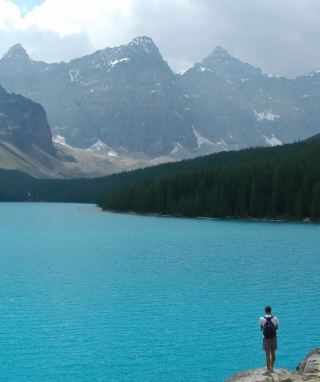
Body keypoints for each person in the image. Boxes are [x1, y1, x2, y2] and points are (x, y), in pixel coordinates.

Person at [259, 306, 279, 374]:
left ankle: (268, 370)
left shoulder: (261, 319)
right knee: (273, 353)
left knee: (267, 355)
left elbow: (261, 327)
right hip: (273, 337)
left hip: (266, 338)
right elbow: (276, 327)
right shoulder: (275, 318)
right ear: (271, 311)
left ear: (265, 311)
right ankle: (271, 367)